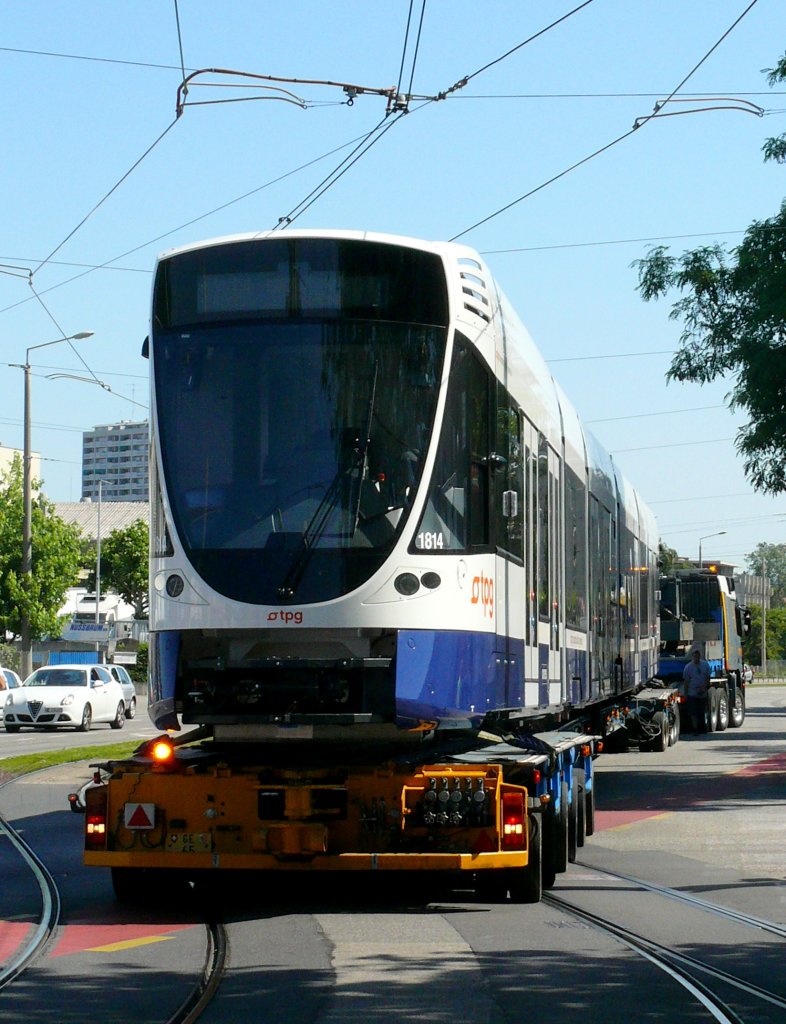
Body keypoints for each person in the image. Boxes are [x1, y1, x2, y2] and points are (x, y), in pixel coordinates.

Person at [682, 649, 711, 733]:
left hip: (703, 692)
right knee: (693, 712)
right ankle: (695, 729)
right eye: (695, 656)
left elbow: (707, 677)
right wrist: (686, 694)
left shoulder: (705, 665)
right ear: (692, 657)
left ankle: (703, 727)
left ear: (700, 656)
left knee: (702, 711)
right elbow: (686, 682)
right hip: (692, 692)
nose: (696, 658)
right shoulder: (688, 667)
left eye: (698, 656)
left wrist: (705, 687)